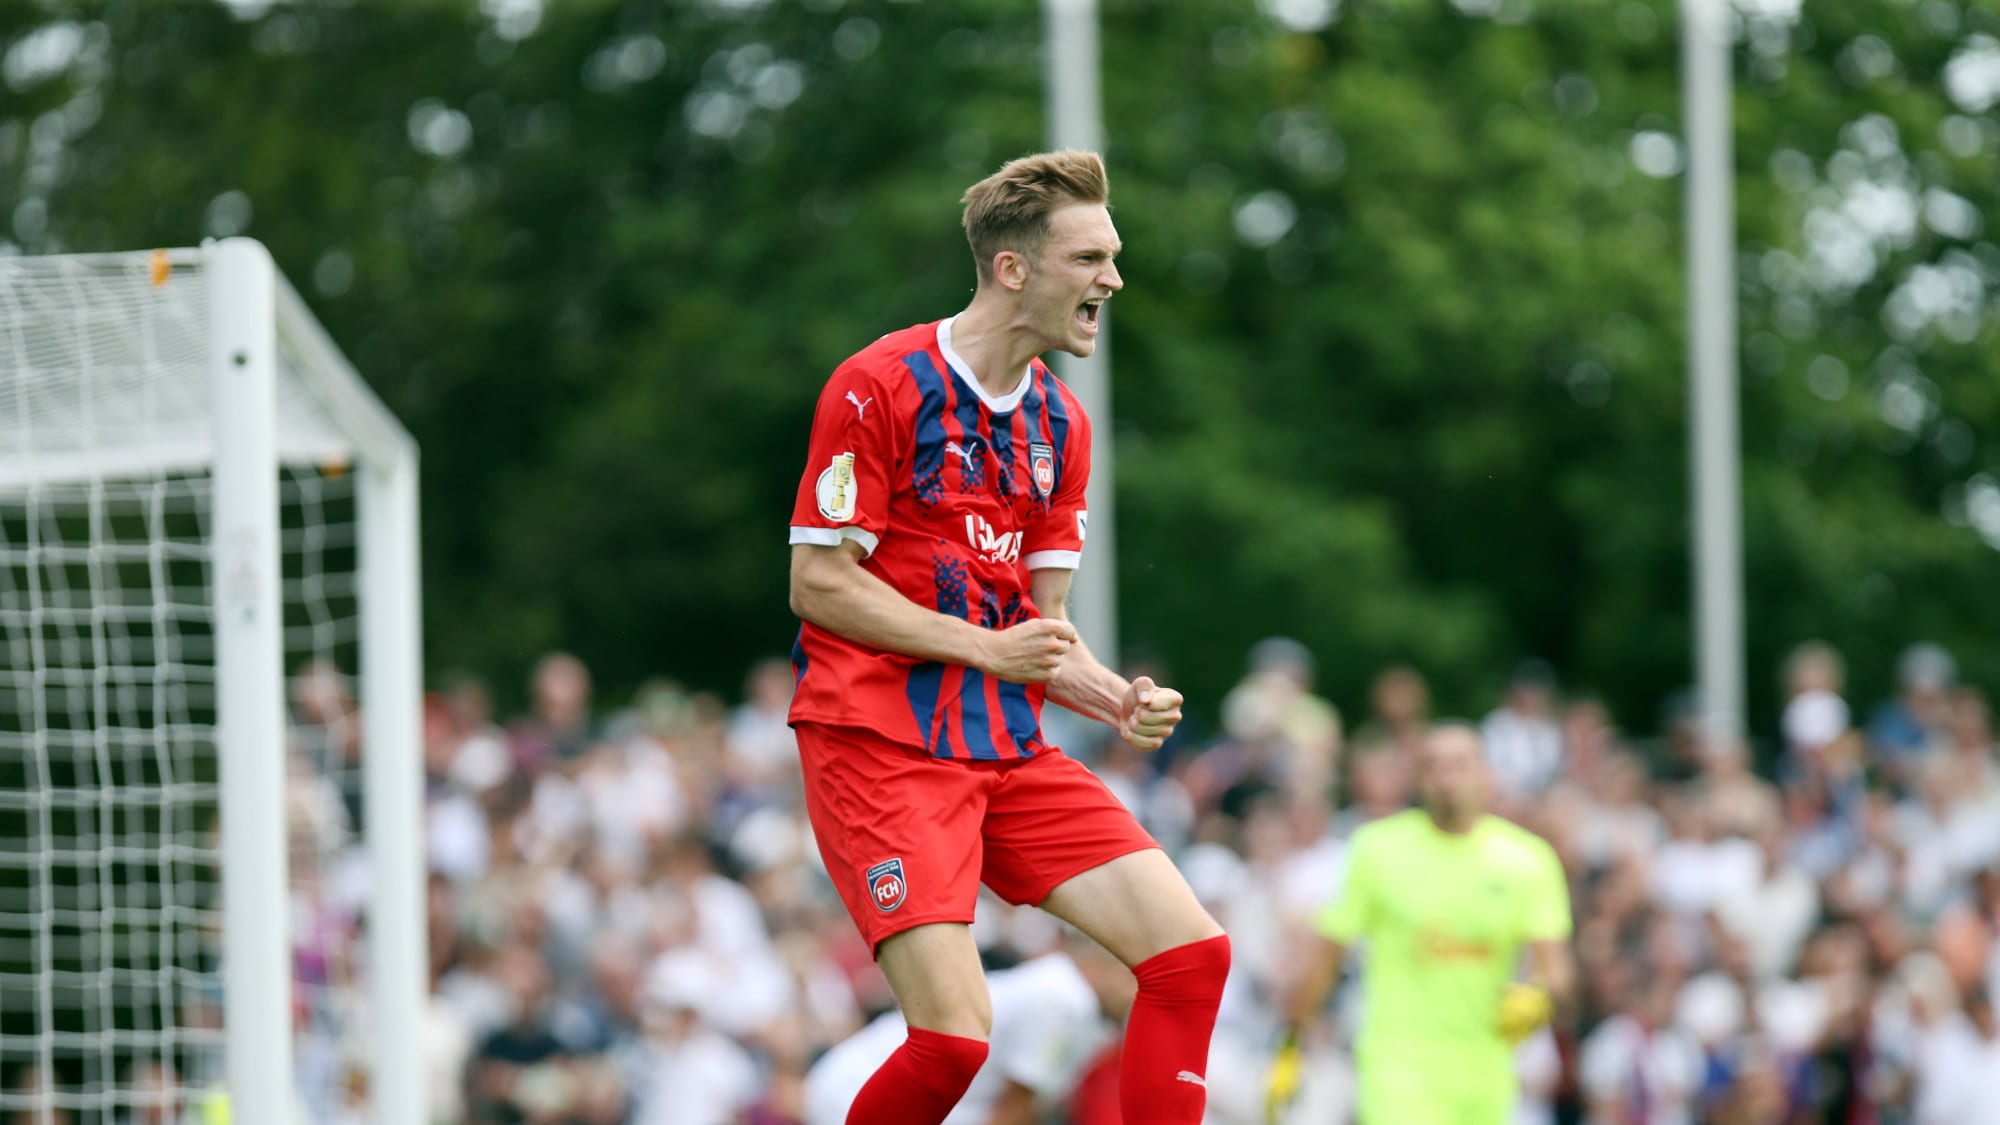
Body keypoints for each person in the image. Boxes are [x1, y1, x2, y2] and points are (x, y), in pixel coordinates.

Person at [785, 148, 1230, 1125]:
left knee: (1191, 956)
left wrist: (1114, 695)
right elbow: (817, 583)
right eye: (1090, 258)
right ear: (1013, 268)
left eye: (1113, 257)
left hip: (1004, 748)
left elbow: (1040, 628)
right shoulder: (879, 384)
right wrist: (985, 649)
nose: (1114, 279)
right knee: (952, 1040)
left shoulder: (1060, 425)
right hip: (880, 746)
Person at [1266, 724, 1575, 1124]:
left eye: (1460, 765)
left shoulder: (1527, 861)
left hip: (1486, 1074)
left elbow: (1557, 970)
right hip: (1397, 1069)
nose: (1447, 779)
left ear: (1486, 775)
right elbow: (1327, 955)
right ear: (1418, 779)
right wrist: (1289, 1044)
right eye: (1433, 766)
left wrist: (1540, 998)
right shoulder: (1377, 850)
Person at [801, 936, 1133, 1125]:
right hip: (860, 1087)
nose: (1135, 993)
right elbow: (1013, 1113)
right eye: (1128, 977)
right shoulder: (1064, 1000)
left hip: (860, 1083)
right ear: (1097, 966)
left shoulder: (1066, 996)